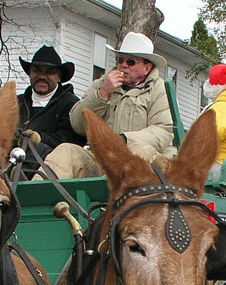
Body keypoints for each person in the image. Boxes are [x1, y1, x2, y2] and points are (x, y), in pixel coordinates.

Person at [42, 31, 173, 178]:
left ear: (147, 68)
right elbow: (77, 125)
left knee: (138, 151)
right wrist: (102, 94)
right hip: (102, 160)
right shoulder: (102, 84)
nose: (123, 66)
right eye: (120, 60)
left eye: (130, 62)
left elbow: (163, 131)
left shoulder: (159, 89)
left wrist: (124, 140)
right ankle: (30, 196)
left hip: (144, 165)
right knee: (66, 151)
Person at [15, 45, 85, 178]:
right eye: (37, 70)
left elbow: (71, 141)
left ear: (59, 77)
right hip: (11, 158)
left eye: (49, 72)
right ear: (29, 73)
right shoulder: (15, 103)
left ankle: (19, 179)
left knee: (40, 149)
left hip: (49, 169)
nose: (42, 76)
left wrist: (39, 138)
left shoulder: (70, 104)